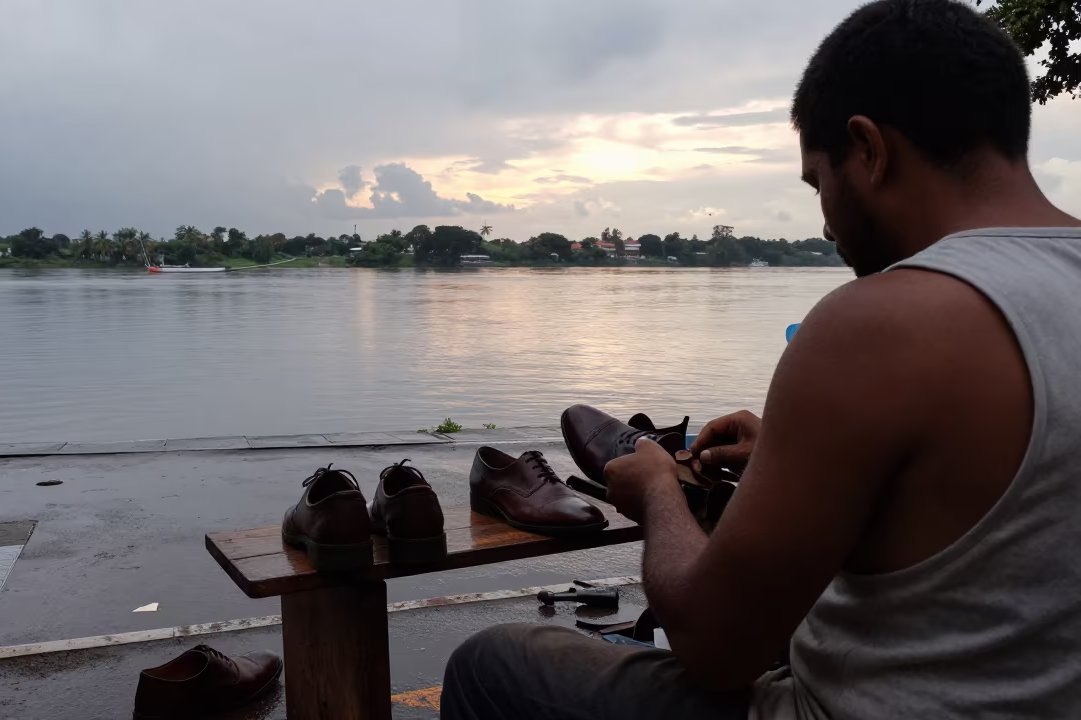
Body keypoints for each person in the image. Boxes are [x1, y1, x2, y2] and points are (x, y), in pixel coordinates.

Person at [440, 0, 1081, 717]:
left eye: (818, 184)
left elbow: (715, 649)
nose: (827, 222)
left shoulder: (879, 323)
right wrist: (796, 453)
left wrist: (655, 489)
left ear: (868, 150)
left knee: (490, 664)